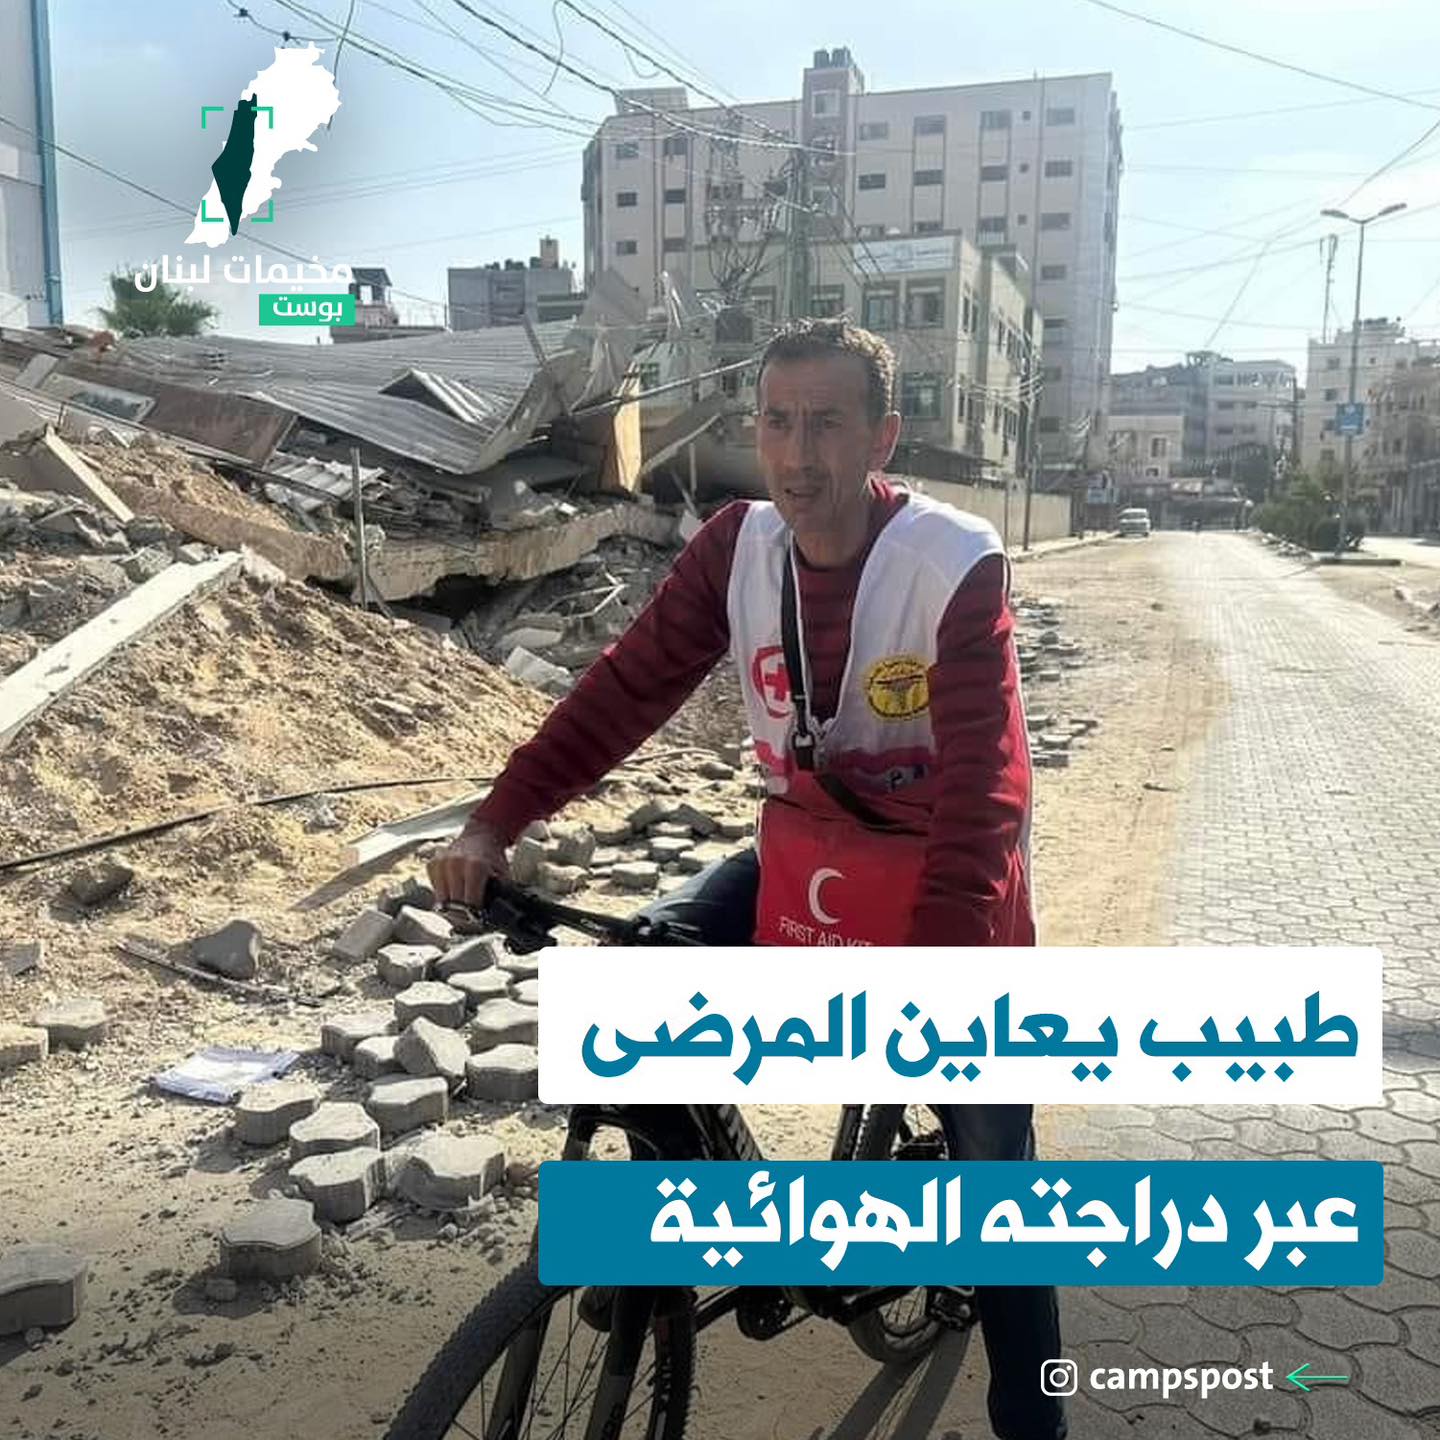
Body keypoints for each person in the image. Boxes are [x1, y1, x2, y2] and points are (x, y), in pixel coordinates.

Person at [430, 318, 1065, 1440]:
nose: (798, 454)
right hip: (808, 854)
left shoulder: (952, 564)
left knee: (994, 1183)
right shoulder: (738, 549)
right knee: (639, 976)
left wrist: (938, 972)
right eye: (777, 421)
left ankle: (1035, 1419)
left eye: (827, 424)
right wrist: (495, 822)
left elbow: (988, 791)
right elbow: (624, 690)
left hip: (947, 881)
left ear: (883, 438)